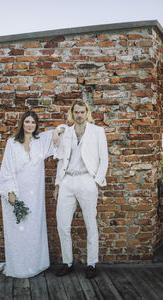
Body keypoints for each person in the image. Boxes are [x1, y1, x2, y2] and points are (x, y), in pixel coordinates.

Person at [54, 100, 108, 279]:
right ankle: (67, 263)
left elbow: (104, 159)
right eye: (76, 112)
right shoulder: (66, 132)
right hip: (67, 181)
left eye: (82, 112)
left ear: (87, 113)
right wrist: (57, 184)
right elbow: (61, 159)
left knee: (90, 225)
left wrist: (96, 182)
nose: (79, 115)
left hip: (86, 180)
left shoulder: (97, 132)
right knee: (62, 225)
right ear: (72, 113)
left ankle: (91, 263)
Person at [0, 110, 55, 278]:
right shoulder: (12, 143)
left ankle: (35, 264)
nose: (30, 125)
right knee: (18, 228)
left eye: (33, 122)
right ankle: (19, 266)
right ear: (22, 123)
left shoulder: (40, 142)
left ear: (36, 126)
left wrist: (58, 133)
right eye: (27, 122)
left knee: (33, 228)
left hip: (35, 195)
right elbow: (7, 169)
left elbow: (61, 131)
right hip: (18, 192)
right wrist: (10, 192)